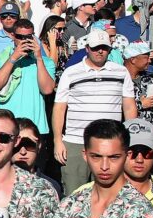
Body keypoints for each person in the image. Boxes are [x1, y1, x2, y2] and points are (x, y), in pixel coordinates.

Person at [53, 29, 138, 195]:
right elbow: (59, 107)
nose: (100, 51)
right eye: (96, 47)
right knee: (74, 193)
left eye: (104, 48)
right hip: (76, 141)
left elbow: (129, 106)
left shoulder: (121, 71)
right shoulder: (71, 72)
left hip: (111, 142)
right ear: (87, 49)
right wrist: (58, 140)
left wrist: (130, 140)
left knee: (108, 194)